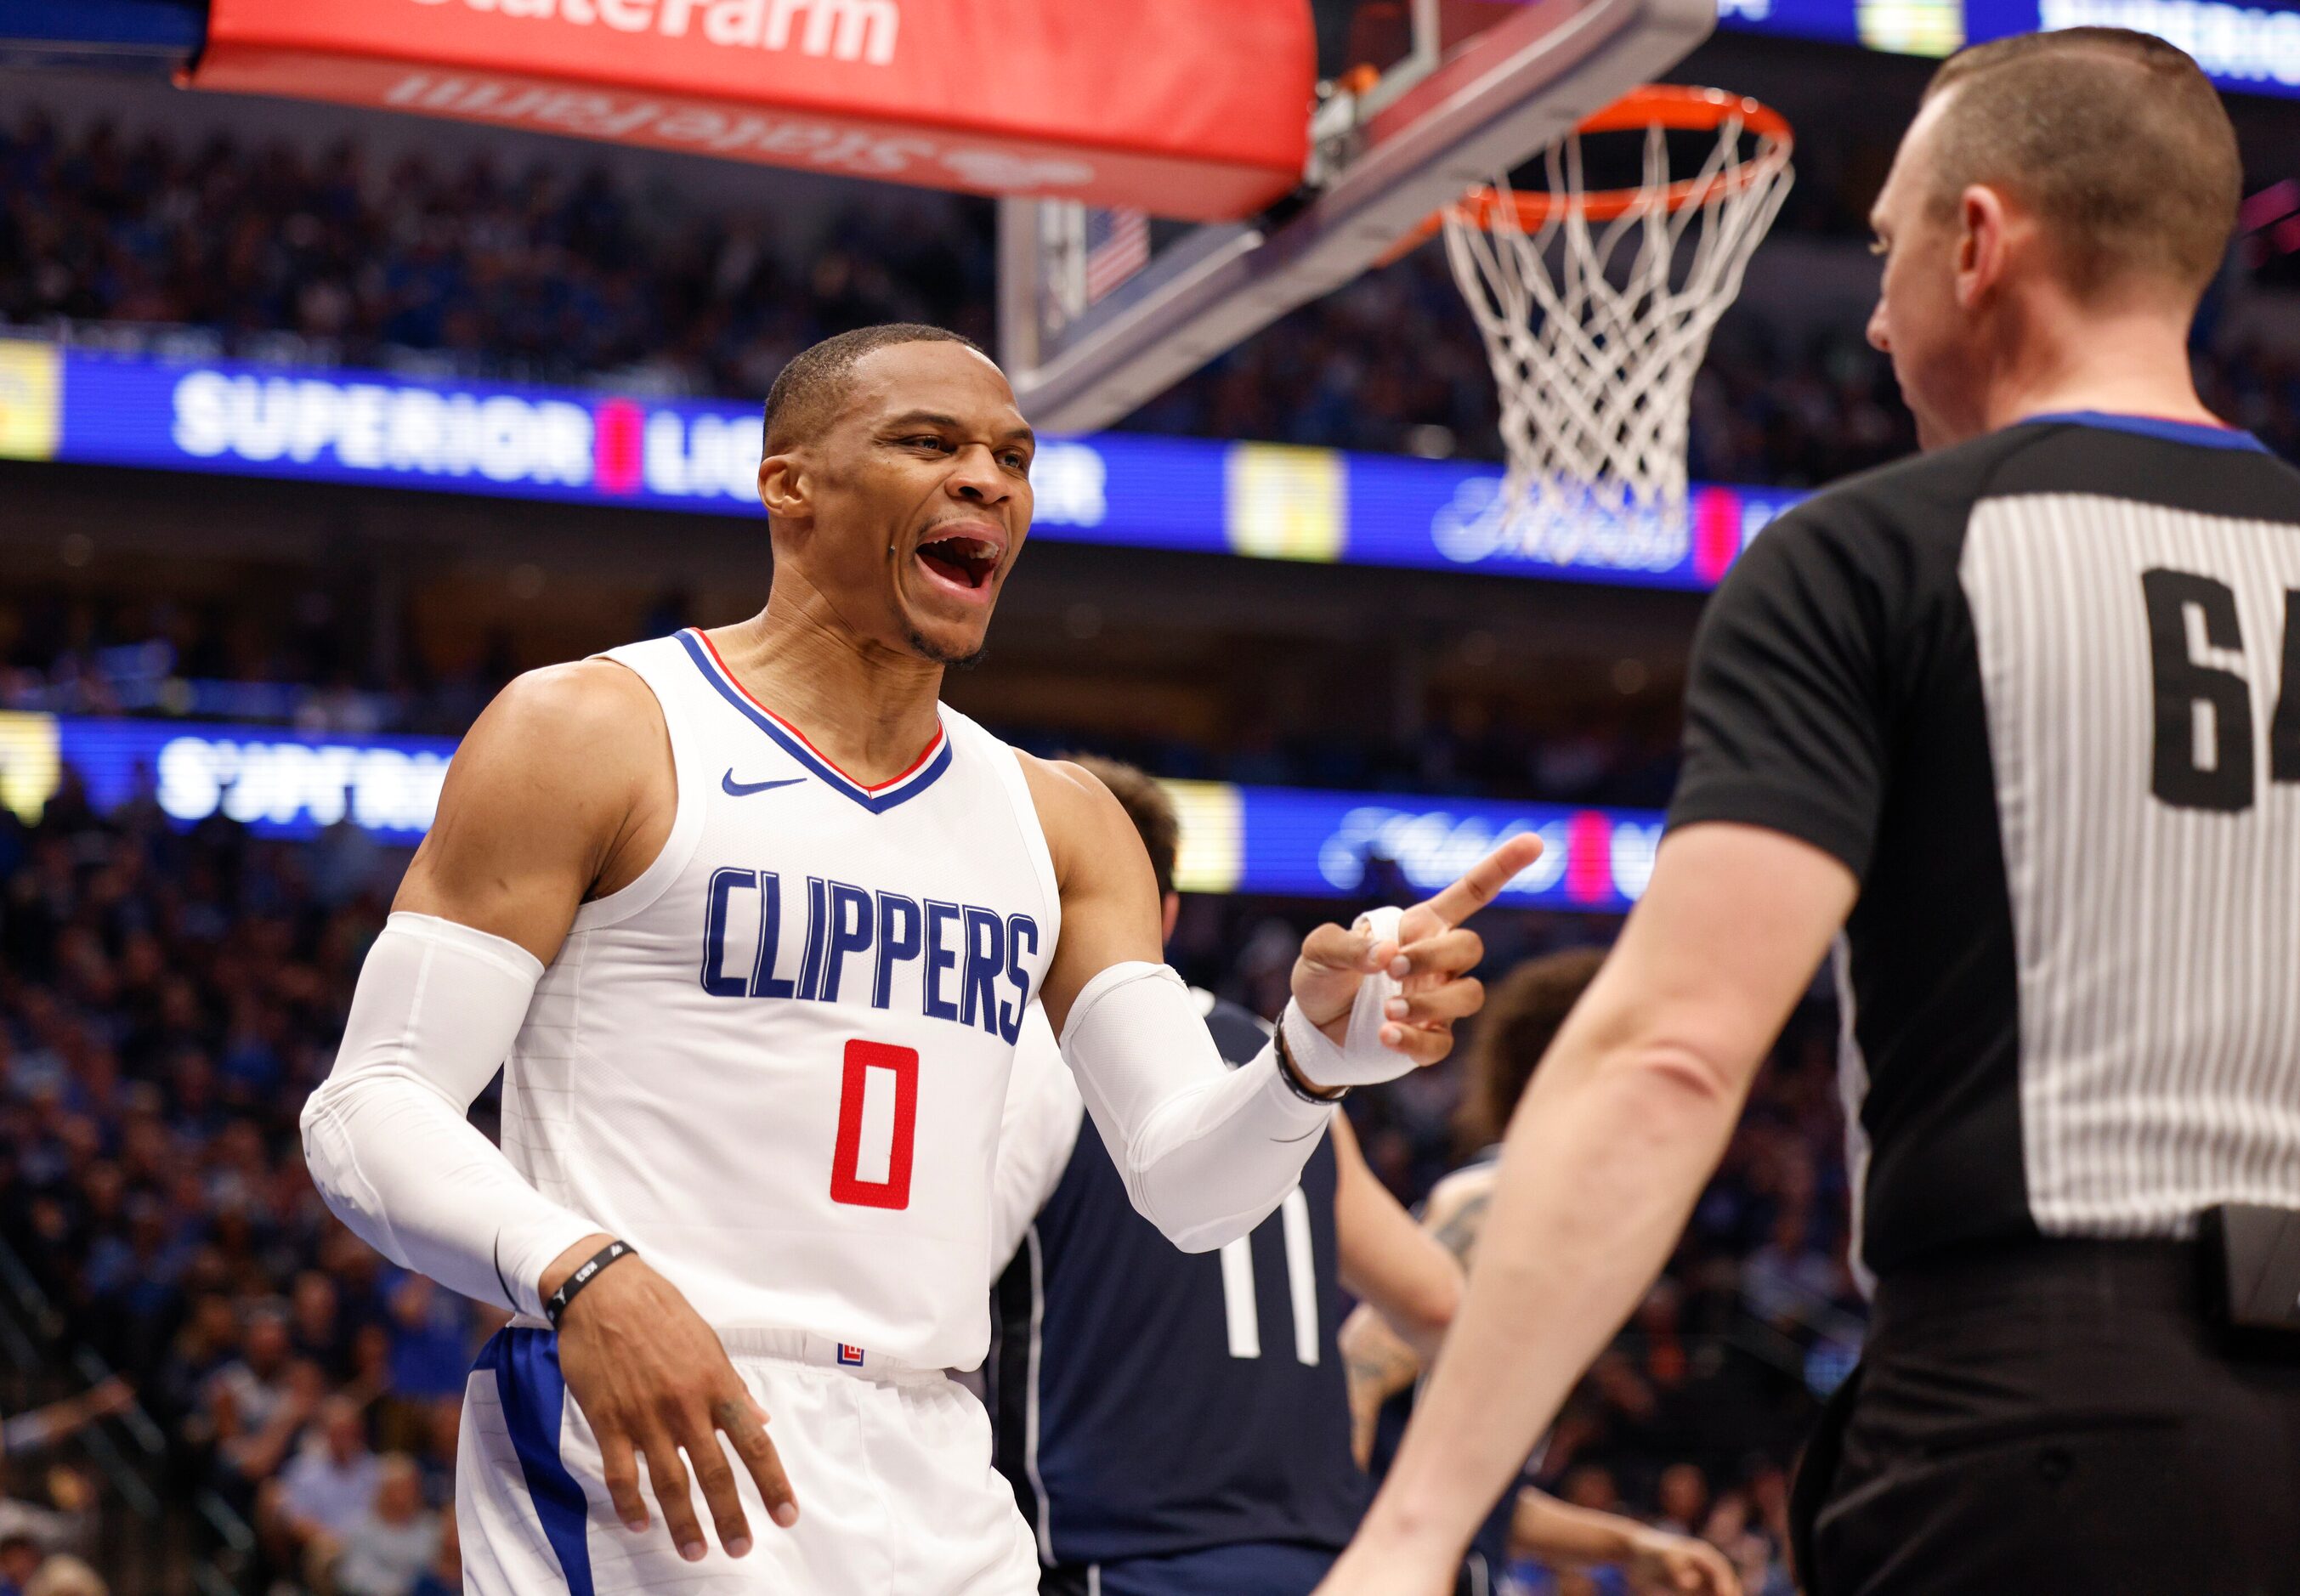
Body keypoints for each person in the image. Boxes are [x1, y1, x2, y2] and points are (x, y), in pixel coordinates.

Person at [300, 323, 1537, 1595]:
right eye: (927, 442)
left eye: (1012, 455)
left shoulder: (1059, 820)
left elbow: (1190, 1191)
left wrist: (1309, 1057)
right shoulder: (595, 728)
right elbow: (369, 1106)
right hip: (660, 1419)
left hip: (942, 1458)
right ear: (790, 485)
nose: (988, 481)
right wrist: (578, 1273)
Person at [1317, 28, 2300, 1596]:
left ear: (1978, 245)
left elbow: (1670, 1048)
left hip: (2050, 1409)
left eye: (1887, 247)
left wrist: (1422, 1522)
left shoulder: (1874, 554)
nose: (1870, 309)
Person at [983, 756, 1464, 1596]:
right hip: (1318, 1557)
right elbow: (1438, 1304)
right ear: (1165, 915)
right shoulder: (1291, 1067)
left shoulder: (1023, 1065)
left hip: (1120, 1560)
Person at [1339, 951, 1739, 1596]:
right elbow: (1352, 1376)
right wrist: (1341, 1558)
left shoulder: (1548, 1215)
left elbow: (1467, 1499)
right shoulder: (1498, 1199)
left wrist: (1629, 1544)